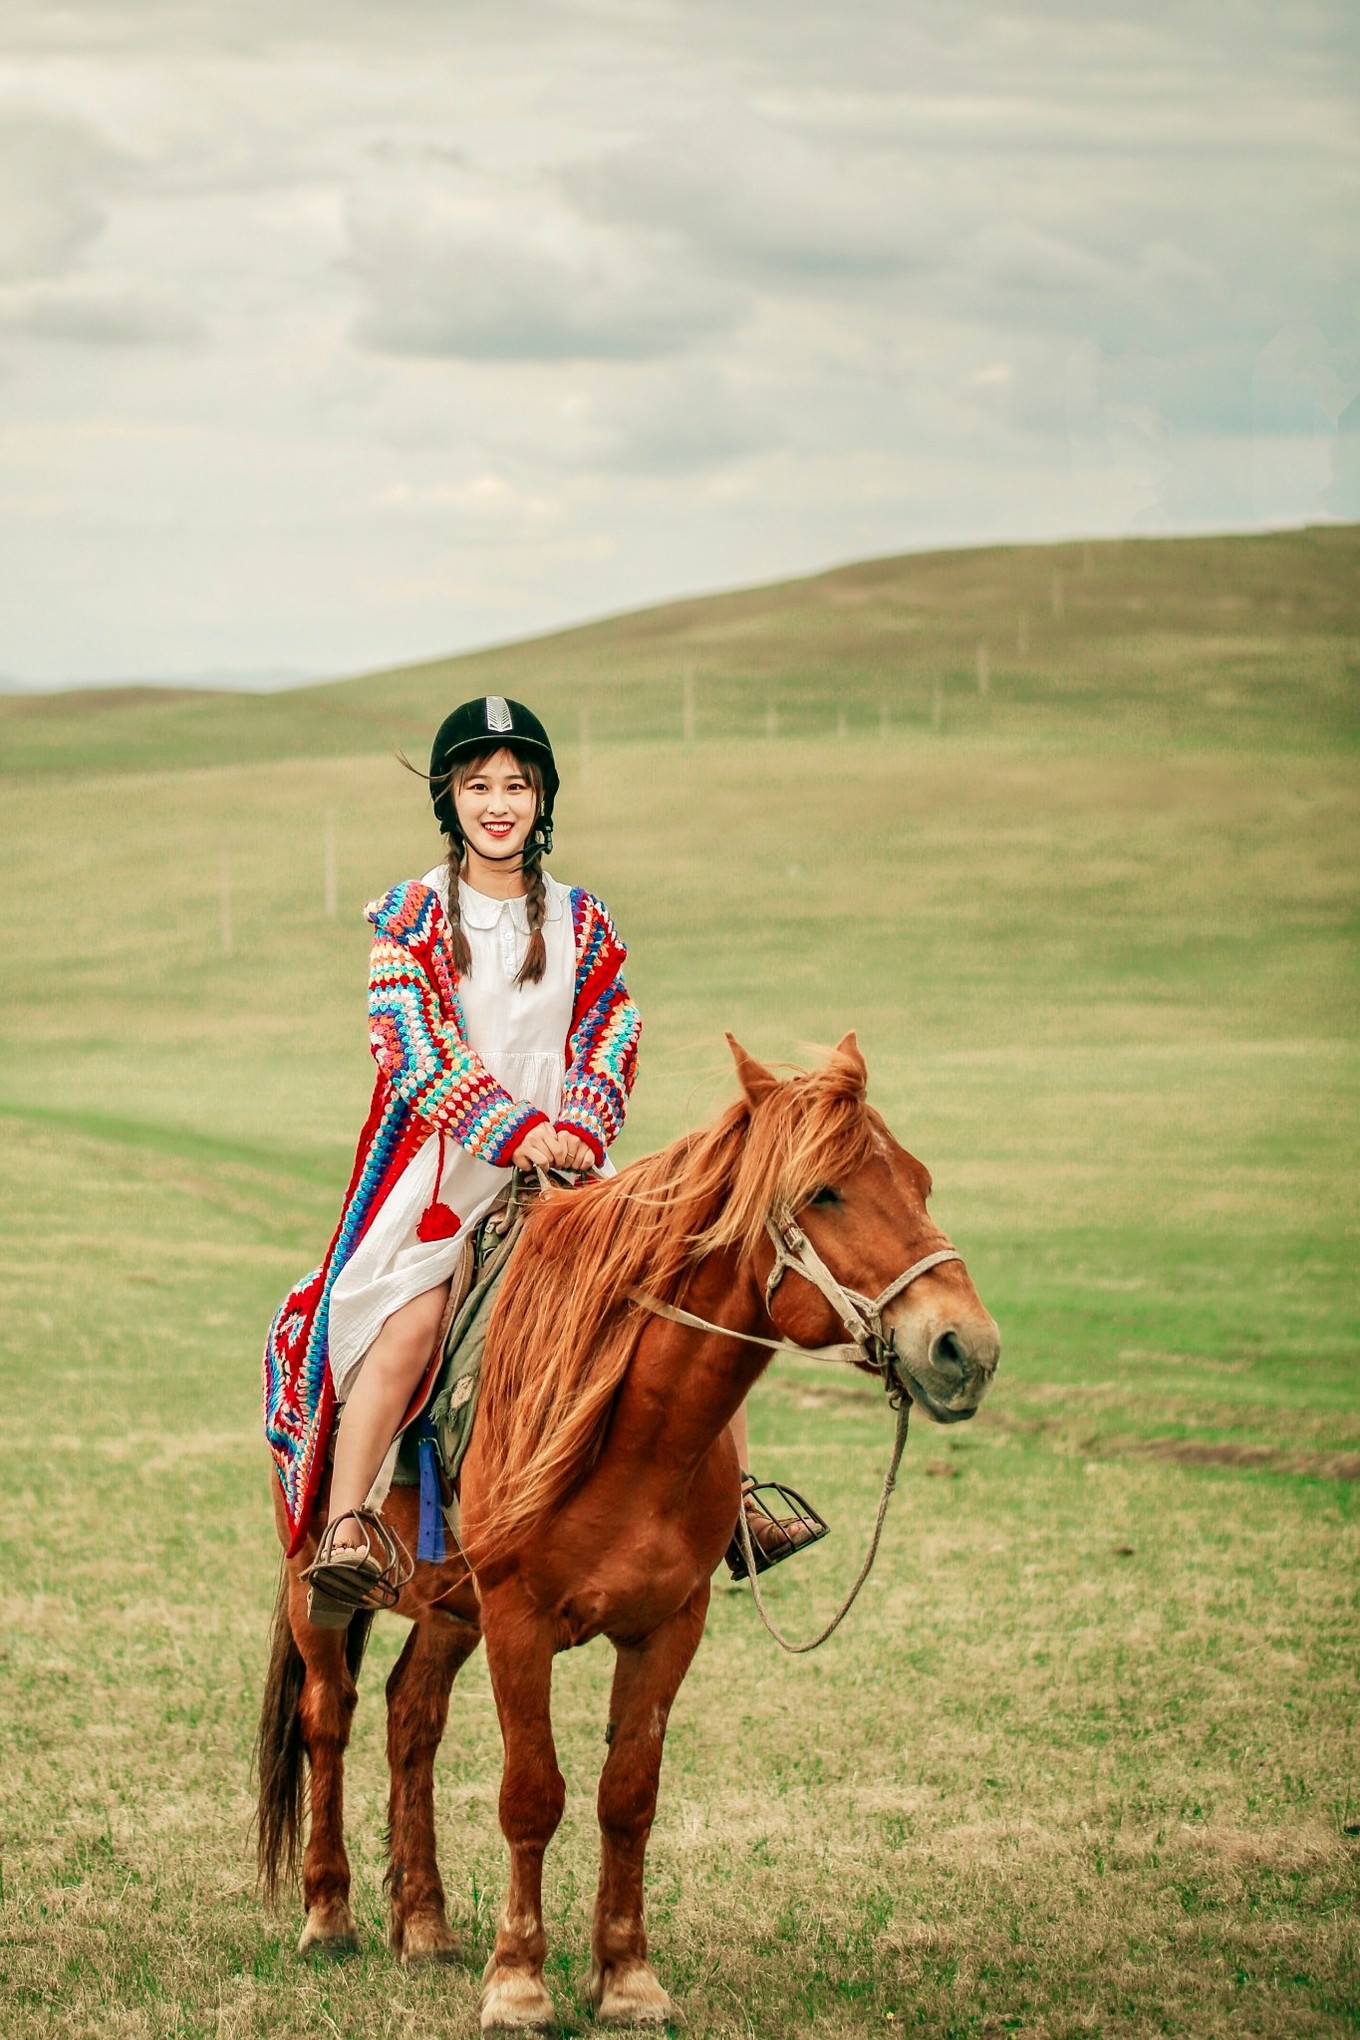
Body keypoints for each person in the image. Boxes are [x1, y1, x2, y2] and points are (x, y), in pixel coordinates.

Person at [262, 695, 642, 1624]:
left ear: (542, 796)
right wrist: (517, 1130)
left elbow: (614, 1031)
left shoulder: (585, 922)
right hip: (439, 1177)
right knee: (408, 1327)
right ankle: (350, 1528)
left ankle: (727, 1505)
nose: (499, 801)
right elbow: (416, 1055)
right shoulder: (411, 921)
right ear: (451, 798)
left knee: (665, 1293)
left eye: (517, 783)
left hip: (565, 1175)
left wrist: (579, 1129)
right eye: (479, 785)